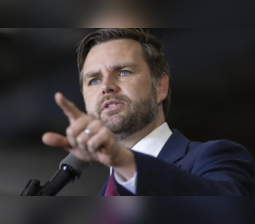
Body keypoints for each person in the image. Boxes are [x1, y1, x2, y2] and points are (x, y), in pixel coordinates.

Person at [42, 29, 255, 196]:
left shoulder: (215, 157)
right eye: (94, 80)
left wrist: (127, 162)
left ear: (160, 86)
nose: (106, 86)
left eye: (124, 71)